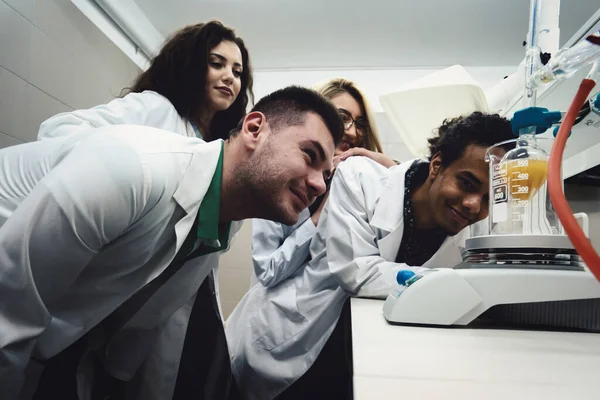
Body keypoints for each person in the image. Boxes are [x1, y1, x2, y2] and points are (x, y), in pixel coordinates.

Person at [0, 86, 343, 400]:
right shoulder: (133, 168)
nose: (319, 186)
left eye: (327, 175)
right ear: (254, 128)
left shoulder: (228, 219)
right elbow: (9, 310)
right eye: (310, 155)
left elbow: (141, 319)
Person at [226, 111, 514, 400]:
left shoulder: (474, 233)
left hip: (363, 354)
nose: (474, 205)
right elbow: (356, 271)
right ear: (437, 164)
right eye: (467, 183)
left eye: (490, 197)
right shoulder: (361, 179)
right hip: (292, 337)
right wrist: (456, 284)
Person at [250, 78, 396, 289]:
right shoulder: (279, 180)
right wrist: (320, 217)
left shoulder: (363, 181)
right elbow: (268, 270)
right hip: (278, 315)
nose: (353, 132)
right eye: (342, 118)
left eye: (361, 124)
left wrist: (392, 167)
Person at [38, 20, 253, 142]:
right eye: (216, 64)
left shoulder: (220, 143)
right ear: (190, 66)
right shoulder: (156, 108)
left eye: (237, 72)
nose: (229, 77)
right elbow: (57, 130)